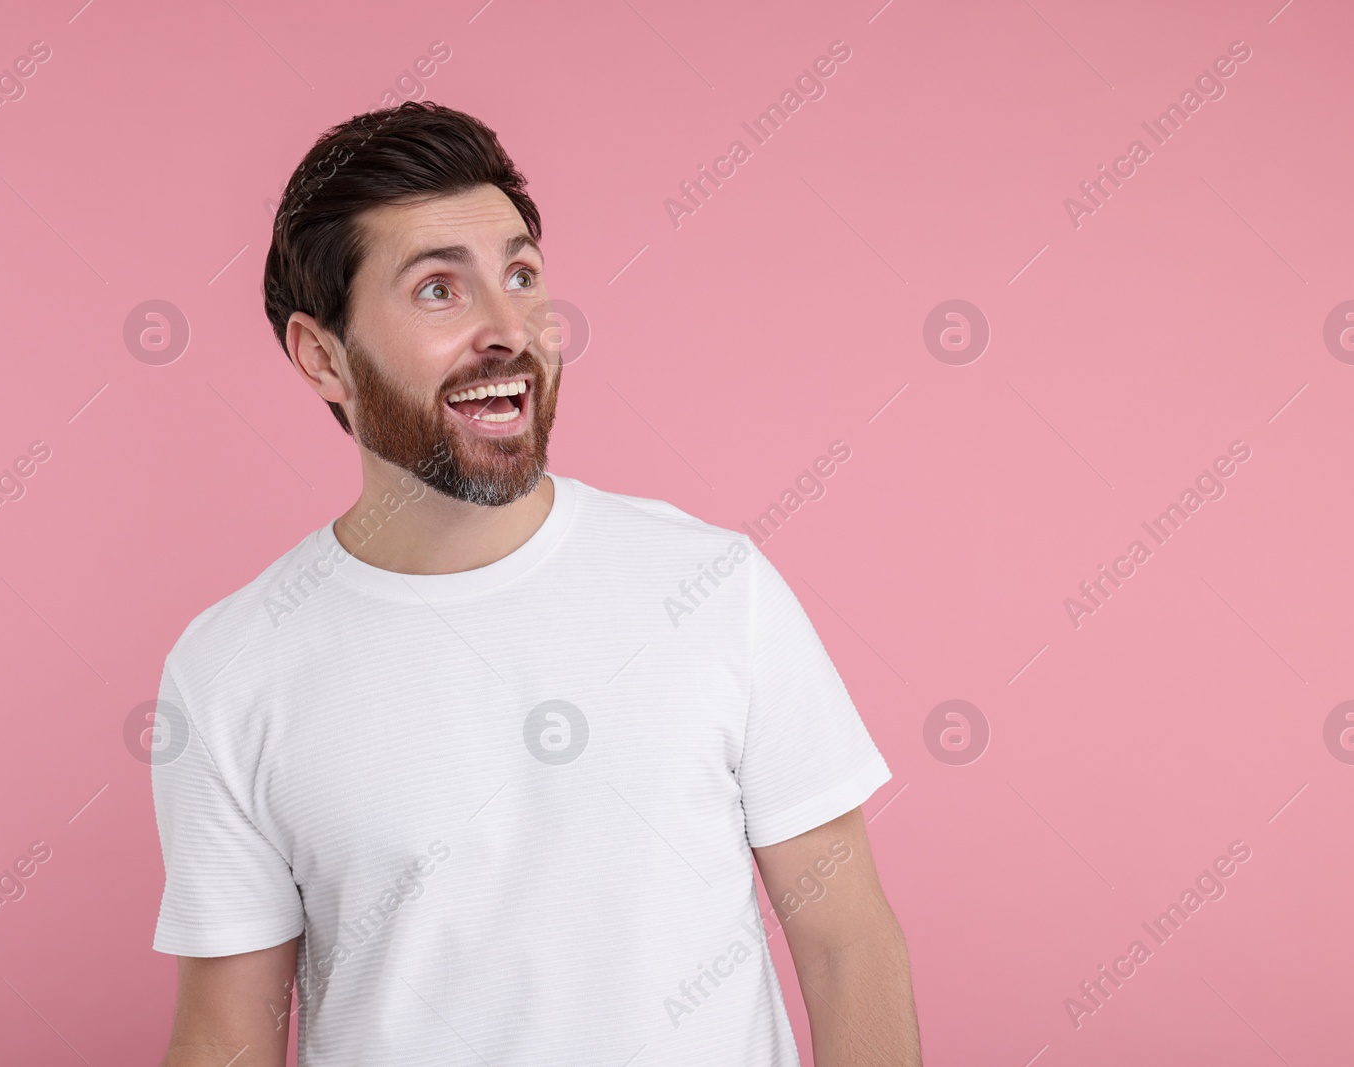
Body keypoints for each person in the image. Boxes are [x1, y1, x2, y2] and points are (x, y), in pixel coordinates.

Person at [150, 100, 920, 1066]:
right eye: (440, 290)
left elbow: (849, 945)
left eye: (521, 276)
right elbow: (227, 1030)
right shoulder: (232, 669)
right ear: (322, 357)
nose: (508, 328)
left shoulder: (715, 587)